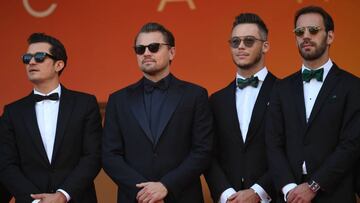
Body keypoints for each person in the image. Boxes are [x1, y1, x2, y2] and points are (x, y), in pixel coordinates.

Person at [102, 22, 213, 203]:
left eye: (153, 47)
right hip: (135, 197)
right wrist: (145, 192)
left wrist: (166, 186)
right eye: (140, 49)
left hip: (182, 196)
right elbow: (110, 155)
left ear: (172, 52)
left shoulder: (195, 95)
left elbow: (203, 150)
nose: (146, 53)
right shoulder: (118, 100)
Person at [266, 6, 360, 203]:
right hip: (288, 197)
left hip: (335, 193)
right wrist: (290, 189)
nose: (305, 36)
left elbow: (351, 144)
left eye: (313, 30)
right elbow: (273, 143)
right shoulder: (281, 88)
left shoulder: (353, 86)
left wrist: (314, 185)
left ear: (330, 37)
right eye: (299, 32)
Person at [0, 33, 102, 203]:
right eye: (27, 58)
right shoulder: (12, 112)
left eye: (39, 57)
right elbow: (6, 163)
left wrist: (63, 194)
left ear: (59, 64)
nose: (31, 62)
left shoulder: (85, 104)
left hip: (76, 198)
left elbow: (93, 155)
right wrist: (34, 200)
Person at [204, 13, 276, 203]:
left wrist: (258, 192)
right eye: (235, 42)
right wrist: (227, 195)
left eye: (249, 41)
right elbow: (208, 153)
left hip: (273, 197)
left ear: (265, 46)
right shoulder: (216, 100)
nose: (241, 46)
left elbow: (291, 150)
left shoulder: (285, 93)